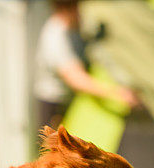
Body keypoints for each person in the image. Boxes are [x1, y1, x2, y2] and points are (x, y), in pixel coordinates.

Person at [34, 0, 139, 129]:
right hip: (55, 104)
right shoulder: (56, 36)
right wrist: (117, 94)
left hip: (71, 100)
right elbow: (76, 79)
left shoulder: (75, 29)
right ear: (68, 8)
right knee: (56, 147)